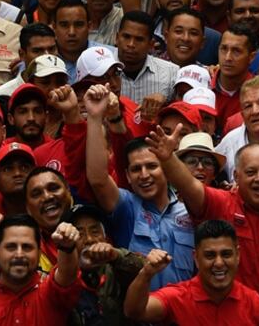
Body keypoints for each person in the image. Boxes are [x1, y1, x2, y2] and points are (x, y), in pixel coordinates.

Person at [149, 124, 259, 292]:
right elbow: (189, 185)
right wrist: (168, 159)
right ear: (236, 177)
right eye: (251, 172)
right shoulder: (220, 204)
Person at [84, 84, 196, 290]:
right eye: (136, 169)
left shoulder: (190, 208)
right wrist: (94, 116)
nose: (144, 175)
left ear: (165, 168)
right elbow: (98, 179)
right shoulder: (127, 207)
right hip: (138, 316)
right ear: (127, 175)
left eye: (152, 166)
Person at [124, 219, 259, 324]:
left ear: (237, 255)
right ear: (196, 257)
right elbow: (134, 312)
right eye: (210, 255)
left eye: (226, 254)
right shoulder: (176, 298)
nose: (219, 263)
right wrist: (146, 273)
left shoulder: (254, 303)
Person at [0, 215, 83, 326]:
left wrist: (67, 247)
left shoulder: (51, 294)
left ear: (39, 253)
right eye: (11, 247)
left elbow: (67, 276)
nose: (19, 254)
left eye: (27, 247)